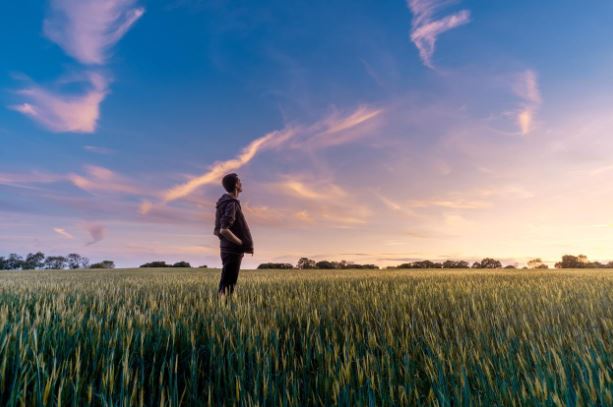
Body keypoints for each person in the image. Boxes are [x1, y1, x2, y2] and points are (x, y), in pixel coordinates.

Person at [214, 173, 254, 296]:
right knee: (229, 286)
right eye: (239, 181)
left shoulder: (223, 202)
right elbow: (223, 229)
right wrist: (241, 243)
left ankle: (220, 309)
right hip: (232, 250)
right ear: (236, 185)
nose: (241, 183)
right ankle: (222, 311)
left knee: (225, 283)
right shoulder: (231, 203)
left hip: (226, 248)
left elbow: (219, 229)